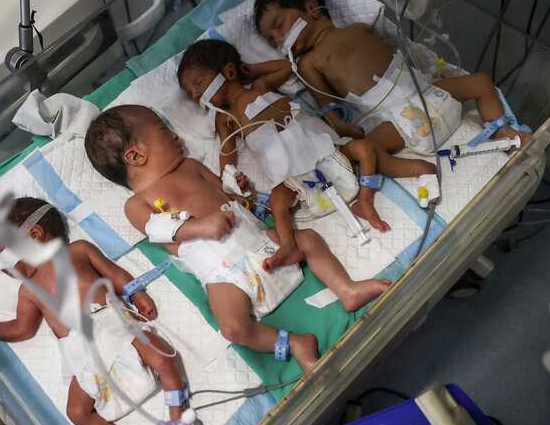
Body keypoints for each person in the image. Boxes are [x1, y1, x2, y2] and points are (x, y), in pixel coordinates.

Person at [84, 105, 390, 373]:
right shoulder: (136, 204)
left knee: (307, 239)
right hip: (222, 273)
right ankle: (294, 342)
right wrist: (200, 227)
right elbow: (158, 229)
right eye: (165, 130)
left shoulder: (191, 167)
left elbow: (230, 198)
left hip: (260, 243)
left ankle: (346, 290)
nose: (176, 136)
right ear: (136, 155)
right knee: (232, 327)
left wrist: (237, 188)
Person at [0, 197, 192, 425]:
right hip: (80, 352)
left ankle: (177, 411)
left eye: (4, 258)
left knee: (161, 358)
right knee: (76, 412)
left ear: (35, 236)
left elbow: (114, 274)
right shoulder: (28, 291)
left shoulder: (78, 251)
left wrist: (136, 293)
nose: (3, 268)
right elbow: (22, 328)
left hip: (110, 322)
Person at [253, 0, 529, 205]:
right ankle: (417, 169)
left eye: (279, 26)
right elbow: (326, 104)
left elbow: (400, 51)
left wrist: (429, 69)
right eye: (271, 40)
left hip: (430, 93)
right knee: (362, 151)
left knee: (480, 81)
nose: (278, 40)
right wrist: (339, 124)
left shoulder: (360, 28)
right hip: (395, 119)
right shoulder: (308, 63)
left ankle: (504, 131)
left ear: (311, 7)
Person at [175, 38, 394, 241]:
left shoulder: (259, 87)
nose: (195, 94)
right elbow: (227, 154)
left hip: (319, 150)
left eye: (199, 83)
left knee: (364, 149)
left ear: (229, 72)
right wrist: (231, 178)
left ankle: (365, 199)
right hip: (289, 171)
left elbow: (288, 67)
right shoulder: (226, 118)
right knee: (278, 203)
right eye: (190, 93)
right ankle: (289, 245)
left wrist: (253, 70)